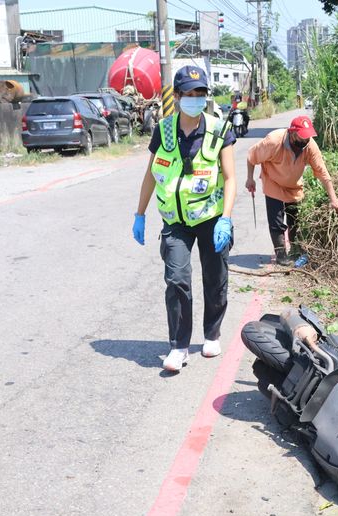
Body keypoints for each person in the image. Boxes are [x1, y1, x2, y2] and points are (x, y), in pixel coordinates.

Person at [133, 65, 237, 373]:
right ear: (176, 97)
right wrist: (139, 213)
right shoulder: (164, 129)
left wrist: (226, 219)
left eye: (200, 93)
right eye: (188, 94)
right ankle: (178, 346)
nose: (195, 99)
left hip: (210, 217)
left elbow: (230, 178)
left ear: (206, 96)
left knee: (215, 278)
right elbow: (151, 175)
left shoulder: (220, 129)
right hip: (175, 220)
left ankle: (212, 333)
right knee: (176, 279)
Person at [245, 115, 338, 266]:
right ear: (292, 133)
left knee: (294, 219)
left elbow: (322, 172)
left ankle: (295, 249)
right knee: (277, 220)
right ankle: (280, 253)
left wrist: (334, 199)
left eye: (307, 137)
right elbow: (251, 157)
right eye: (302, 137)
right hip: (273, 181)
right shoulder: (274, 141)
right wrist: (249, 178)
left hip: (293, 185)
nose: (305, 141)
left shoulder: (309, 146)